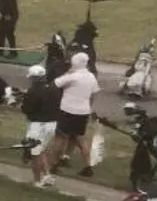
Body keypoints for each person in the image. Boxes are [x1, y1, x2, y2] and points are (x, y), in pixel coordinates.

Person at [38, 50, 99, 187]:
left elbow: (55, 83)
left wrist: (67, 73)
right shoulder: (91, 77)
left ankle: (53, 164)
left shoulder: (72, 76)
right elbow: (93, 95)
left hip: (67, 110)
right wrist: (88, 107)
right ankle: (88, 166)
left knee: (60, 137)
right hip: (83, 112)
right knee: (80, 138)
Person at [19, 64, 59, 184]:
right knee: (40, 150)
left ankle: (38, 181)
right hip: (52, 124)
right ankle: (46, 175)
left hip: (38, 125)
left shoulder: (32, 91)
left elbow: (26, 109)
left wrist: (21, 102)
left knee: (34, 153)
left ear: (33, 78)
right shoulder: (53, 88)